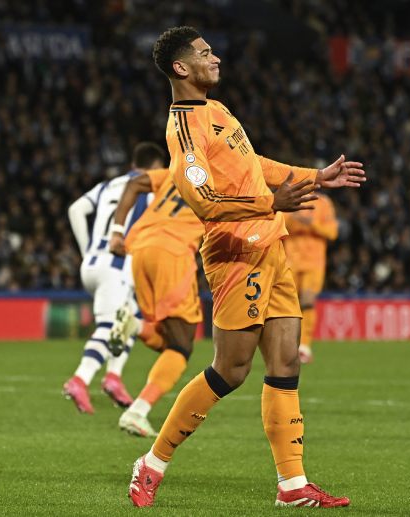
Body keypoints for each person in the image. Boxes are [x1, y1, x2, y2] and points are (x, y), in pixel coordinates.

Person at [127, 26, 365, 509]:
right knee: (230, 371)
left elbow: (252, 163)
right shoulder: (183, 130)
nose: (215, 58)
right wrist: (270, 202)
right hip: (236, 253)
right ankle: (152, 462)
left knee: (285, 362)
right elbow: (204, 201)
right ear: (181, 67)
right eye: (204, 53)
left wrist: (314, 177)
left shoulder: (216, 110)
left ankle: (292, 485)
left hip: (272, 246)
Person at [62, 142, 165, 414]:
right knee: (110, 326)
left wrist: (87, 251)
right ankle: (80, 379)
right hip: (117, 266)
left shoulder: (107, 185)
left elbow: (76, 210)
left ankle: (113, 377)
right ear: (156, 167)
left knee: (128, 318)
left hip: (93, 264)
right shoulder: (152, 188)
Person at [107, 166, 205, 437]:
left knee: (167, 338)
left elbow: (136, 183)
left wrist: (117, 231)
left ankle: (135, 326)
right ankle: (137, 412)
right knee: (181, 346)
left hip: (140, 251)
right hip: (174, 254)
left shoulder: (178, 171)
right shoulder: (224, 181)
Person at [283, 195, 338, 363]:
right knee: (287, 305)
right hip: (290, 261)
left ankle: (304, 346)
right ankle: (286, 345)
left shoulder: (323, 203)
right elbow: (278, 226)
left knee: (307, 302)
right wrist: (293, 218)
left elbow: (332, 232)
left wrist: (311, 223)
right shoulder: (290, 198)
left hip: (314, 263)